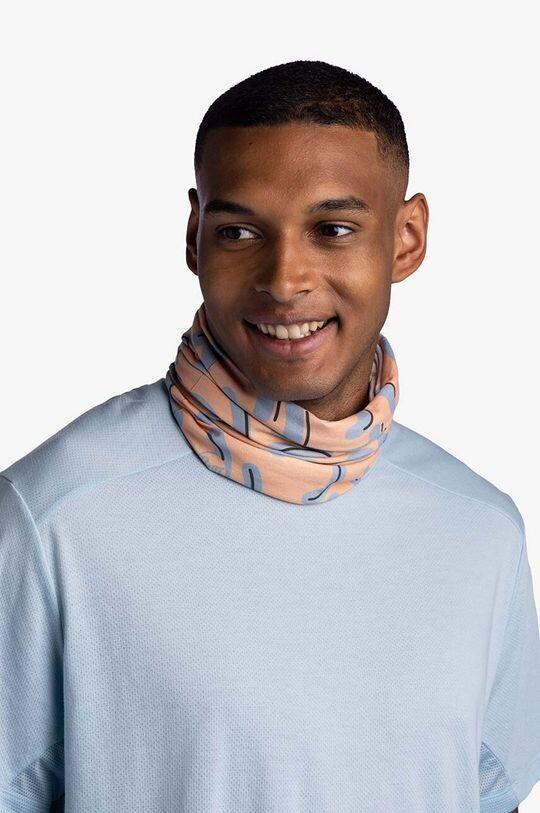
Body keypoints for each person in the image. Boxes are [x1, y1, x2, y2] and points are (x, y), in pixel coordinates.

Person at [0, 59, 537, 813]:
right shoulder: (53, 513)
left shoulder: (481, 528)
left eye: (333, 229)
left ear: (406, 238)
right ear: (195, 237)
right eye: (240, 231)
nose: (285, 280)